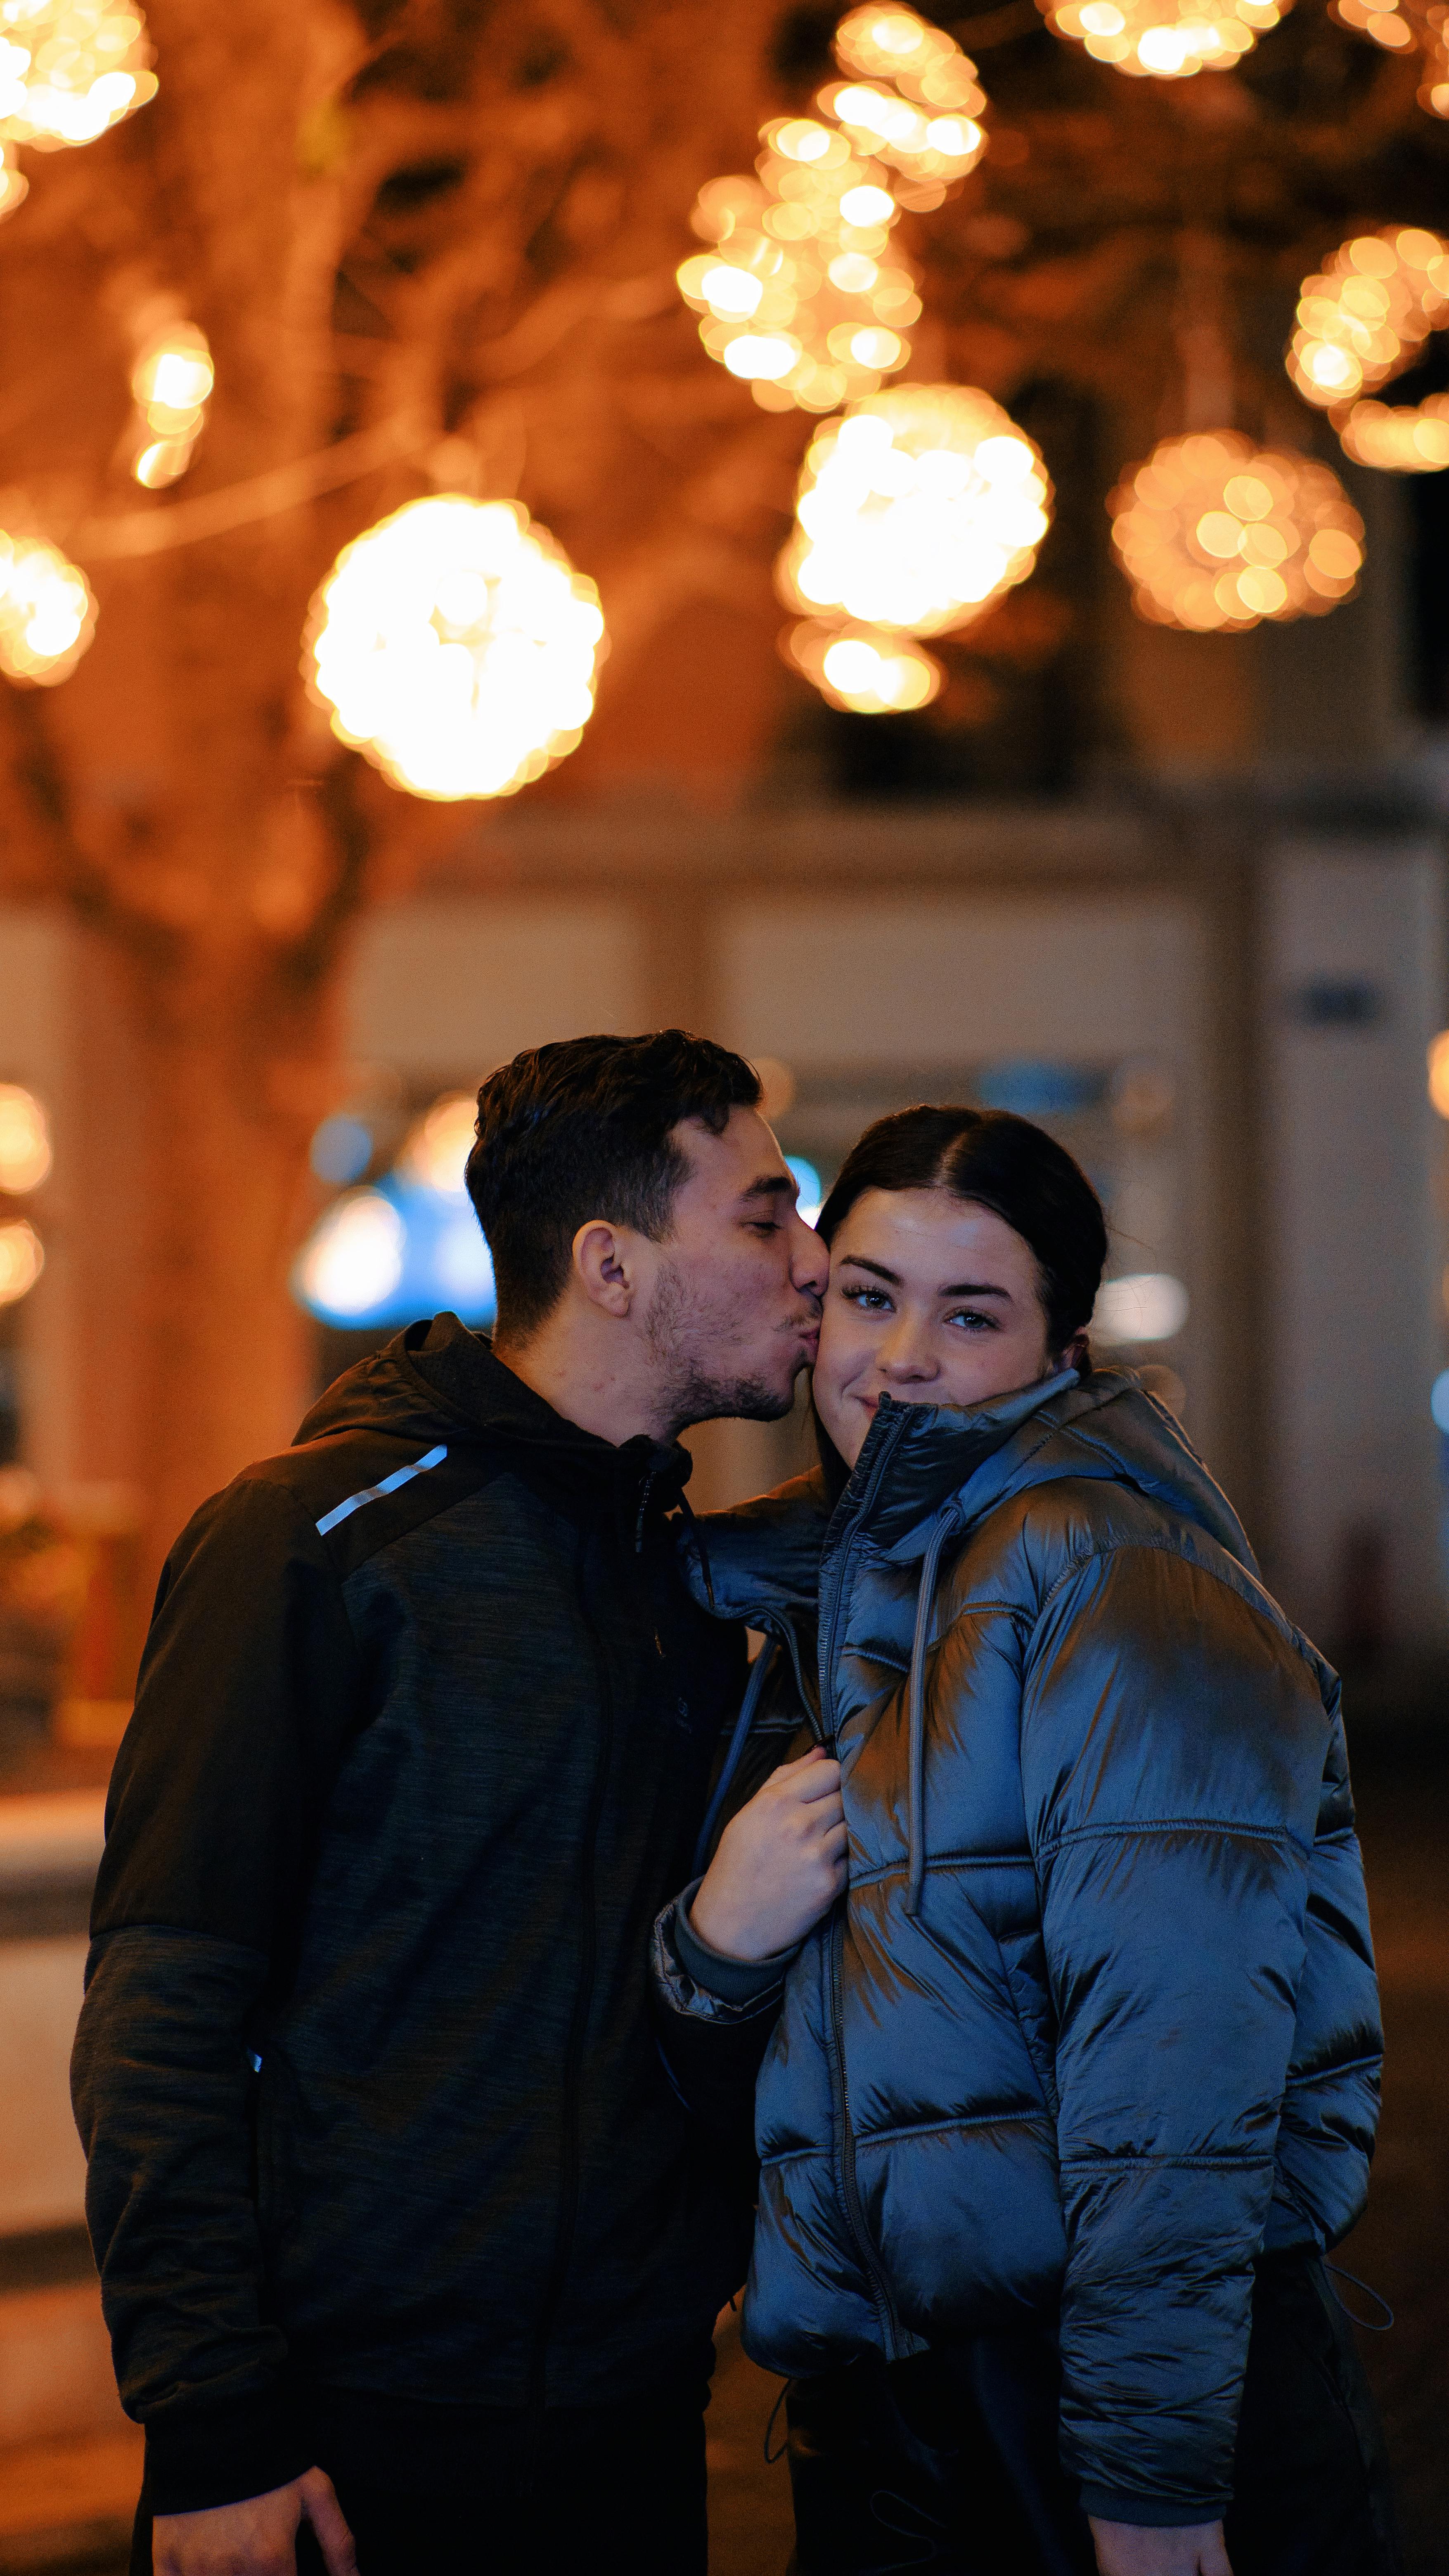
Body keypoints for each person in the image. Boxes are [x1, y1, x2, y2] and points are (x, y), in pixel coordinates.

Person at [71, 1030, 830, 2576]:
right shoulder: (317, 1540)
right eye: (765, 1217)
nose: (812, 1264)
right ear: (610, 1265)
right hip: (356, 2438)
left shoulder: (672, 1571)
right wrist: (216, 2429)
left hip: (629, 2417)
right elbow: (162, 2008)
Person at [652, 1103, 1396, 2576]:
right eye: (868, 1297)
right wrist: (712, 1946)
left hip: (1099, 2414)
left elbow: (1176, 2083)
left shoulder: (1120, 1581)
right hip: (893, 2410)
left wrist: (1152, 2478)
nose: (900, 1357)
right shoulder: (839, 1594)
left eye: (970, 1314)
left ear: (1063, 1355)